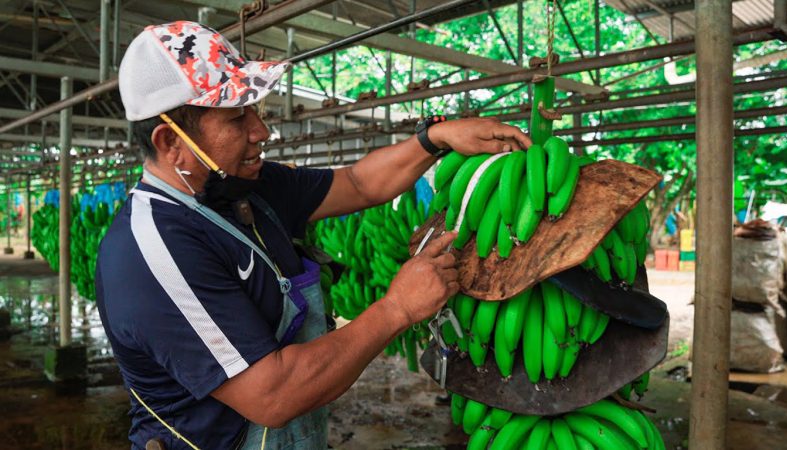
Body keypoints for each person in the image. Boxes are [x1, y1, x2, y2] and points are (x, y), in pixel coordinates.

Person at [96, 21, 531, 450]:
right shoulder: (152, 251)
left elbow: (360, 183)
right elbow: (272, 394)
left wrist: (434, 138)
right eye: (236, 119)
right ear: (170, 143)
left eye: (255, 112)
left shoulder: (249, 188)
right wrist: (397, 308)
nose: (260, 131)